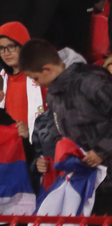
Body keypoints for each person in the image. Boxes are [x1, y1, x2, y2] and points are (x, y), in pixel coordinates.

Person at [20, 37, 112, 212]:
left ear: (47, 69)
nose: (36, 84)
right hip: (84, 180)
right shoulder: (54, 94)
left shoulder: (93, 81)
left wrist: (101, 151)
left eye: (36, 78)